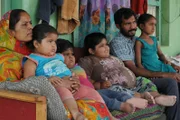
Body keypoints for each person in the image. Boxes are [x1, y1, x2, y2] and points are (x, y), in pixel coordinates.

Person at [109, 7, 180, 120]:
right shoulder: (118, 43)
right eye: (128, 24)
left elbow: (155, 57)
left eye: (134, 22)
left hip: (149, 72)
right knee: (170, 82)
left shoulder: (137, 39)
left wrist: (171, 65)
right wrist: (163, 74)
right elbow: (134, 69)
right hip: (137, 79)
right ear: (118, 26)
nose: (133, 27)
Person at [0, 9, 71, 120]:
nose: (30, 27)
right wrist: (52, 82)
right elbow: (13, 88)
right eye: (24, 24)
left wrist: (72, 79)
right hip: (22, 103)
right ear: (10, 32)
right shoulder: (4, 58)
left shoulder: (35, 51)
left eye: (30, 23)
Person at [78, 32, 176, 108]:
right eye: (101, 46)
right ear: (91, 50)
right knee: (115, 89)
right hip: (116, 86)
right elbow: (85, 80)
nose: (106, 48)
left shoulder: (113, 57)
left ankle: (157, 97)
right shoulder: (88, 60)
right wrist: (99, 85)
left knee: (144, 80)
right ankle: (142, 96)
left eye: (106, 44)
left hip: (133, 84)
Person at [56, 39, 153, 113]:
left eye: (72, 54)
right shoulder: (61, 72)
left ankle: (133, 98)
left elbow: (90, 83)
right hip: (85, 95)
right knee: (106, 97)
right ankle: (122, 106)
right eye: (66, 55)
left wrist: (100, 85)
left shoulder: (77, 67)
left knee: (114, 92)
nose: (71, 57)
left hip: (93, 90)